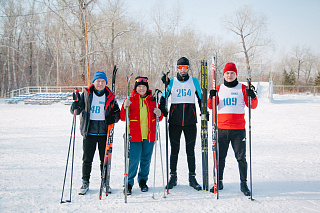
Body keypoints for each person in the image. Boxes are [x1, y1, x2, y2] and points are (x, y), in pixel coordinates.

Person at [207, 62, 258, 196]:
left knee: (241, 158)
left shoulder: (242, 88)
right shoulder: (218, 88)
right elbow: (211, 106)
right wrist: (211, 96)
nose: (229, 76)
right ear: (224, 74)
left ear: (236, 74)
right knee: (220, 157)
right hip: (222, 129)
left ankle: (243, 183)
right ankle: (219, 181)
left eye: (232, 73)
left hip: (238, 129)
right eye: (227, 73)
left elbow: (252, 106)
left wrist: (252, 95)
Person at [70, 71, 120, 195]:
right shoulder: (86, 94)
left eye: (103, 81)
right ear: (94, 82)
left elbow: (117, 113)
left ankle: (105, 182)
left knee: (105, 160)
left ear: (106, 83)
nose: (100, 84)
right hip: (89, 132)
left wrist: (112, 119)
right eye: (98, 81)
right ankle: (85, 182)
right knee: (87, 159)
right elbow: (76, 110)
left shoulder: (110, 96)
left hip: (105, 133)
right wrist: (74, 106)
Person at [159, 57, 203, 191]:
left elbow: (201, 98)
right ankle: (173, 177)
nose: (183, 70)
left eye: (185, 68)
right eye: (180, 68)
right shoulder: (171, 82)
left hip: (190, 121)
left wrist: (203, 112)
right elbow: (162, 99)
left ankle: (192, 177)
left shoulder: (194, 81)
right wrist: (165, 111)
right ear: (177, 69)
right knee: (174, 150)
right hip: (175, 122)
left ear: (189, 68)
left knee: (190, 150)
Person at [120, 76, 163, 195]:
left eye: (144, 87)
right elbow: (123, 118)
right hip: (134, 136)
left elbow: (159, 117)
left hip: (149, 136)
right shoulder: (130, 99)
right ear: (136, 88)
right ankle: (128, 183)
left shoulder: (152, 100)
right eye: (139, 87)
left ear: (147, 88)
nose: (141, 89)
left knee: (146, 160)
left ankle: (143, 181)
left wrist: (159, 114)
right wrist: (124, 107)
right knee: (133, 160)